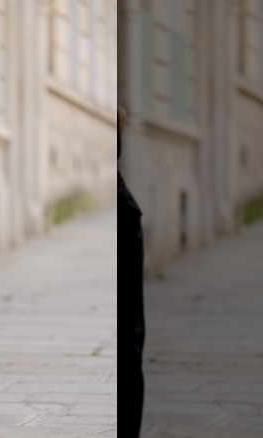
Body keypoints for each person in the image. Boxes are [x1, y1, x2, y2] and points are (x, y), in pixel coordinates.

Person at [118, 106, 145, 437]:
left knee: (129, 339)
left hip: (123, 221)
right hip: (121, 218)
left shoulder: (118, 114)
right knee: (128, 338)